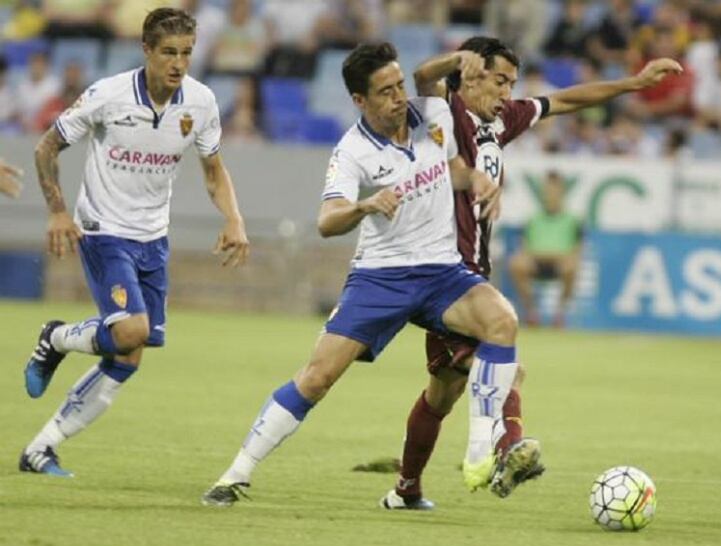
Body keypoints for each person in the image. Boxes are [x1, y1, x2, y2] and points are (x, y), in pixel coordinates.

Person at [202, 41, 525, 507]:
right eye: (385, 91)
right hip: (381, 278)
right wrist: (365, 205)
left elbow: (449, 156)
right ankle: (235, 474)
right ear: (360, 100)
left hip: (441, 273)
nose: (399, 98)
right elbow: (326, 221)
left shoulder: (430, 115)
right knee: (316, 378)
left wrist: (476, 179)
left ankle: (478, 447)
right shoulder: (351, 152)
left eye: (398, 86)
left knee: (503, 321)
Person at [379, 37, 682, 510]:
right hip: (442, 275)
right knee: (507, 369)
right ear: (473, 75)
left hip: (470, 274)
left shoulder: (500, 122)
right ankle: (506, 450)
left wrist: (634, 84)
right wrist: (454, 61)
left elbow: (566, 99)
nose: (508, 92)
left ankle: (406, 489)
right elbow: (422, 77)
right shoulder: (441, 112)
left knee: (442, 395)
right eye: (500, 81)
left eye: (513, 84)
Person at [19, 7, 249, 477]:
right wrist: (58, 211)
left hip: (152, 237)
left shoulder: (200, 103)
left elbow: (213, 170)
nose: (178, 63)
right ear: (146, 50)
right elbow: (47, 146)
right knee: (130, 330)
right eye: (168, 52)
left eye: (186, 53)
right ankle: (57, 338)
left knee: (130, 355)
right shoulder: (108, 95)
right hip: (103, 229)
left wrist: (234, 219)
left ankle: (41, 448)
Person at [509, 170, 583, 327]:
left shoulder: (572, 221)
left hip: (560, 265)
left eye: (554, 190)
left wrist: (553, 255)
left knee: (572, 266)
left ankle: (560, 314)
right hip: (537, 263)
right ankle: (531, 312)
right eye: (547, 190)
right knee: (517, 264)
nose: (550, 194)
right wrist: (551, 254)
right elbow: (525, 249)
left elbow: (576, 252)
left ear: (562, 192)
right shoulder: (533, 219)